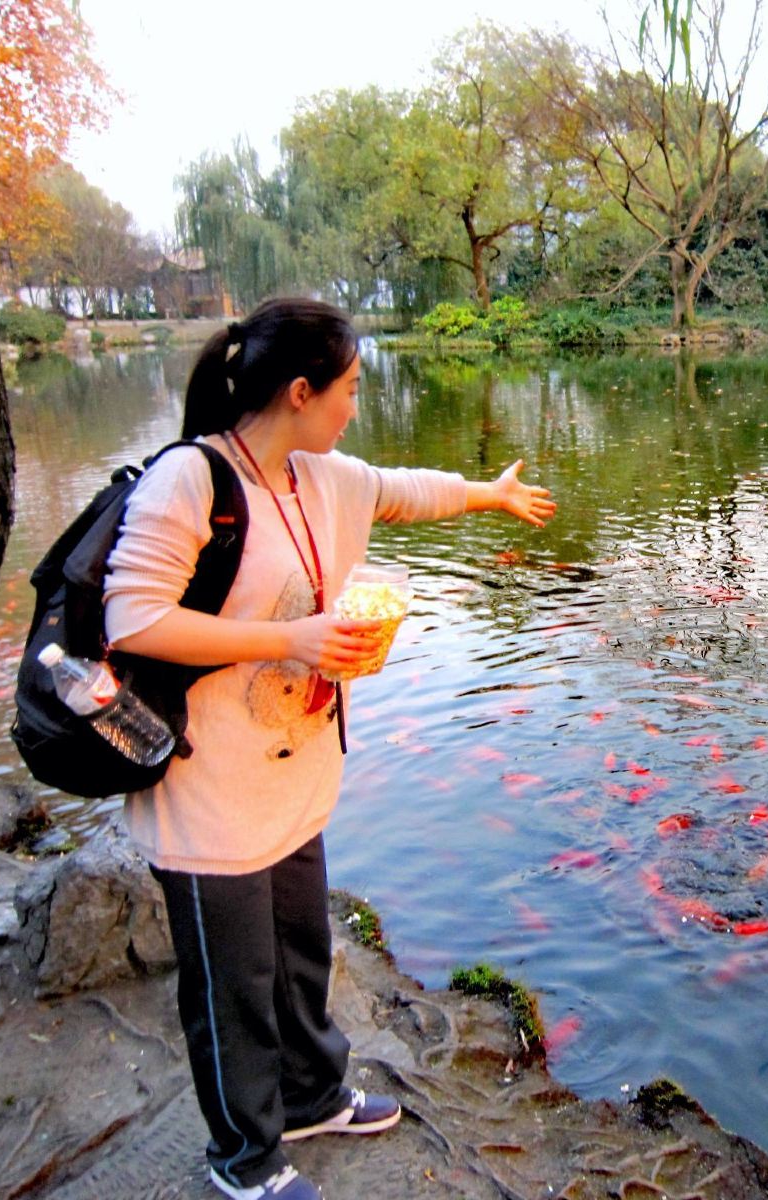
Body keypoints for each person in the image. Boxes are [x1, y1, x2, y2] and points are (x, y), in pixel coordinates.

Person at [103, 297, 556, 1200]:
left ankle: (311, 1095)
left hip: (292, 777)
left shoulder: (321, 477)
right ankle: (245, 1160)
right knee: (234, 988)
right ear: (300, 391)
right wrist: (293, 640)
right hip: (206, 787)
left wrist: (489, 494)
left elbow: (402, 488)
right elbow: (135, 620)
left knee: (300, 951)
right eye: (348, 388)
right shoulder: (191, 484)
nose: (357, 403)